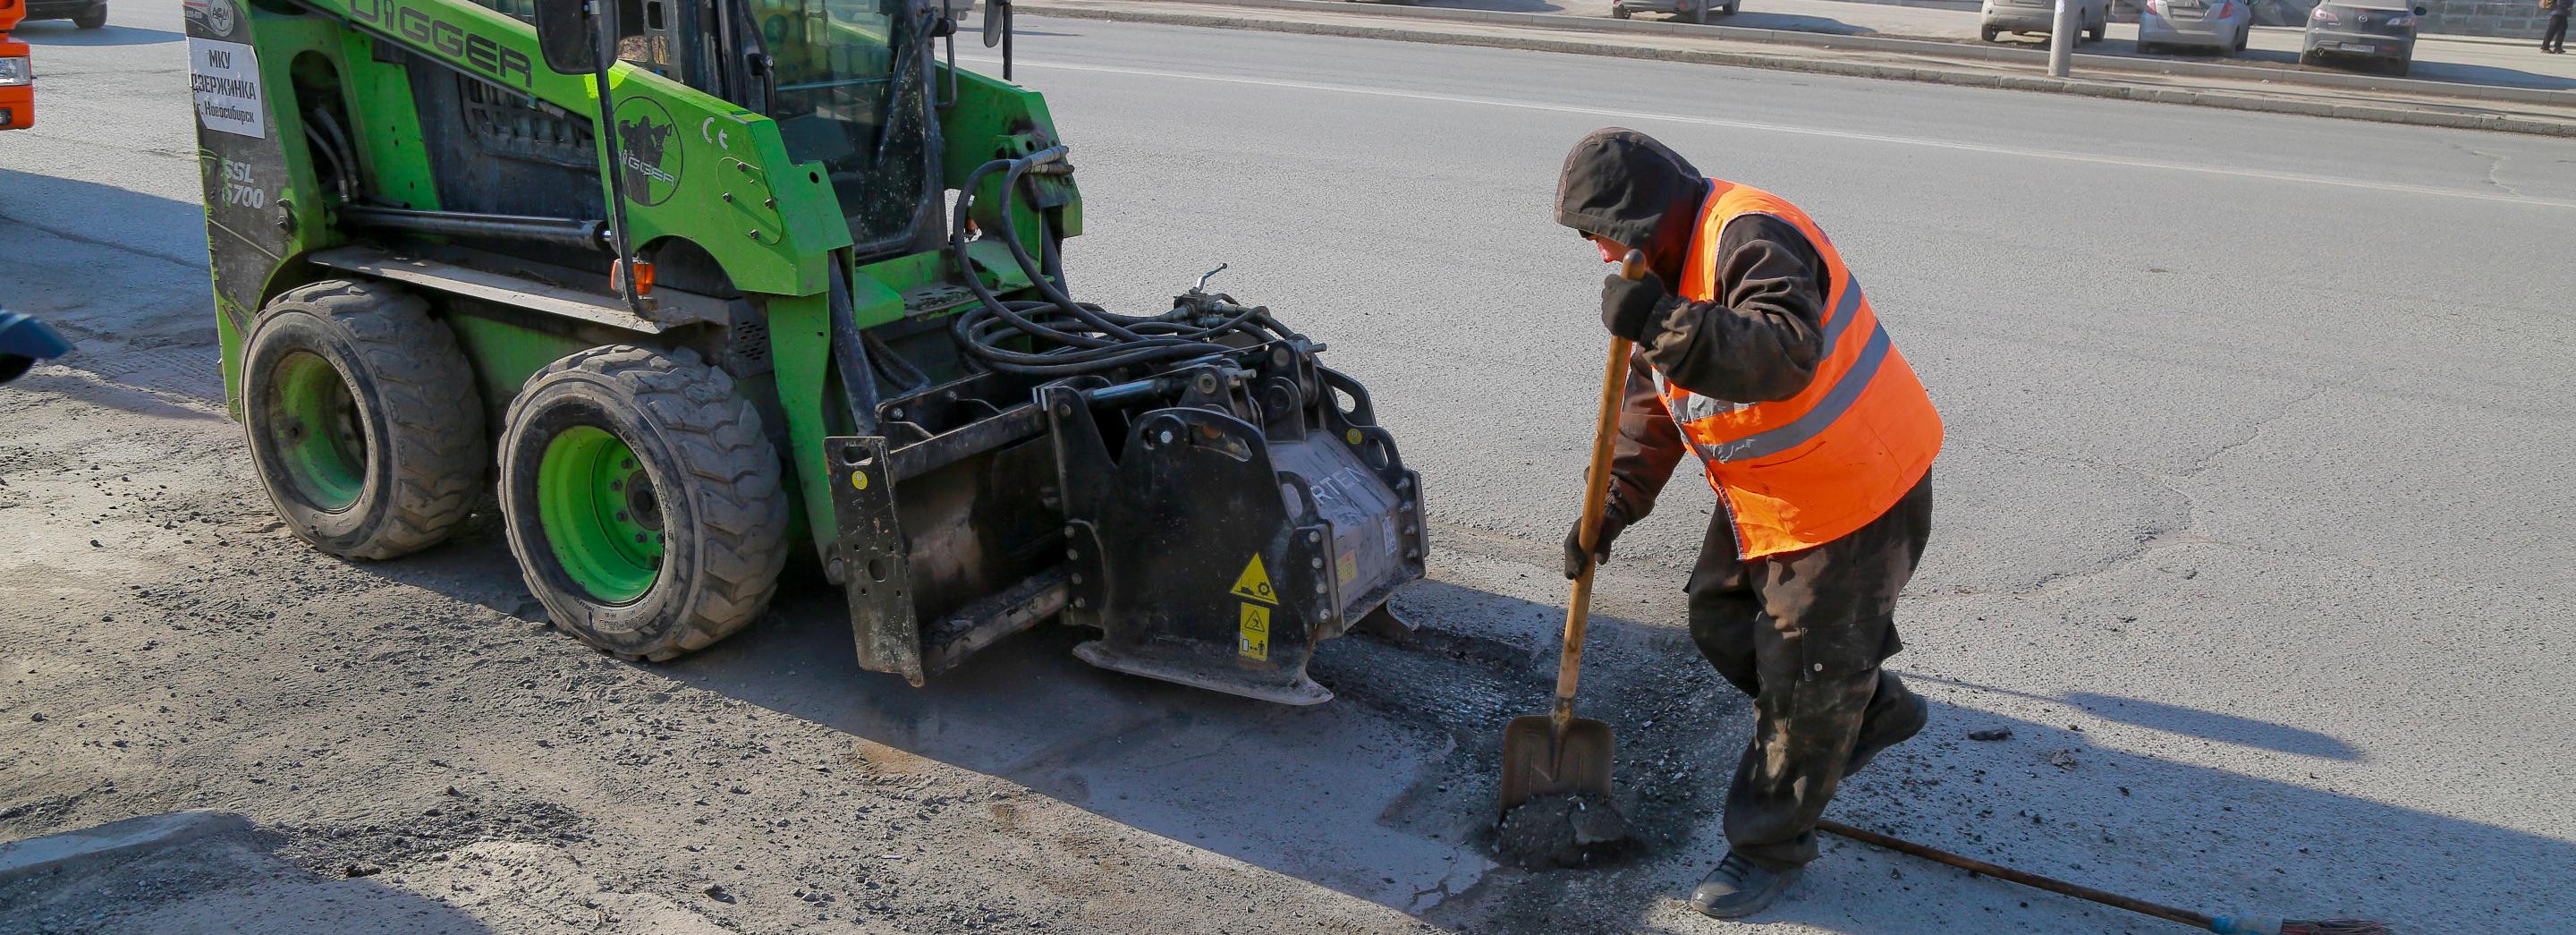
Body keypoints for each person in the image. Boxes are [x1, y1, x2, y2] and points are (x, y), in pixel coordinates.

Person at [1552, 128, 1944, 918]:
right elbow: (1648, 407)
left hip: (1856, 493)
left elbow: (1786, 349)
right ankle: (1872, 709)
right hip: (1774, 493)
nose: (1602, 255)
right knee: (1720, 615)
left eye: (1606, 234)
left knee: (1805, 678)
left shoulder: (1749, 235)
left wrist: (1659, 319)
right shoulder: (1668, 261)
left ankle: (1770, 845)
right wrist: (1611, 508)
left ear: (1650, 214)